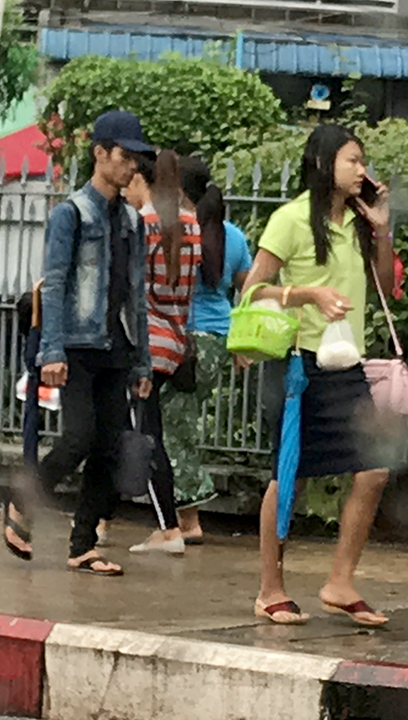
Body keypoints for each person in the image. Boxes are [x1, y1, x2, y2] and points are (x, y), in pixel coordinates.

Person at [236, 124, 395, 627]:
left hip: (346, 363)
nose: (362, 170)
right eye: (353, 160)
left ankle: (340, 582)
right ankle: (270, 589)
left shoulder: (359, 222)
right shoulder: (290, 220)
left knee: (374, 469)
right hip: (299, 365)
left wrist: (382, 229)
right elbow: (252, 291)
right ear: (325, 164)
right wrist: (308, 295)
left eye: (363, 161)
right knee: (290, 477)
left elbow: (385, 288)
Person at [2, 111, 154, 577]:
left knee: (109, 446)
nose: (131, 167)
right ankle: (22, 499)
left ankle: (83, 546)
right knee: (79, 437)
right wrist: (51, 350)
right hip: (77, 344)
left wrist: (142, 361)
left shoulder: (132, 221)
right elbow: (54, 284)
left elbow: (137, 294)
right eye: (124, 156)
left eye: (136, 159)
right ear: (100, 154)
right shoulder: (70, 213)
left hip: (117, 345)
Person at [165, 156, 252, 542]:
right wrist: (240, 339)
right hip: (216, 342)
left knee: (171, 428)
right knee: (177, 425)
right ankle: (175, 516)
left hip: (182, 343)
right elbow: (250, 289)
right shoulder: (233, 235)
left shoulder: (178, 232)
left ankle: (189, 517)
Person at [123, 149, 201, 555]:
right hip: (174, 340)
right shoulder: (192, 224)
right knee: (147, 431)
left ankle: (169, 528)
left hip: (146, 345)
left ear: (142, 180)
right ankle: (161, 526)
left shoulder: (143, 223)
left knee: (147, 437)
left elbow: (132, 290)